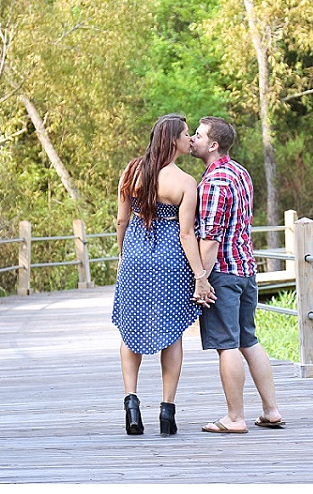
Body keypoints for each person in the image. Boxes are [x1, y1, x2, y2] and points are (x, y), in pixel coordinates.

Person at [111, 114, 215, 437]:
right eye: (186, 135)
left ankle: (131, 403)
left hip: (135, 257)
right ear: (173, 141)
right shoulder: (185, 182)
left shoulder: (131, 172)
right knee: (172, 333)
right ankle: (167, 411)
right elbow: (186, 233)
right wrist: (200, 274)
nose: (190, 139)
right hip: (170, 260)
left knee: (131, 331)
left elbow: (121, 222)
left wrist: (123, 255)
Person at [189, 116, 285, 434]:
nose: (192, 138)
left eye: (199, 135)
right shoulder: (240, 172)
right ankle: (271, 411)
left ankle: (235, 417)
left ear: (213, 145)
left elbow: (211, 237)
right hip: (245, 270)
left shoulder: (215, 181)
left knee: (226, 344)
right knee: (248, 339)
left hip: (224, 274)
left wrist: (201, 278)